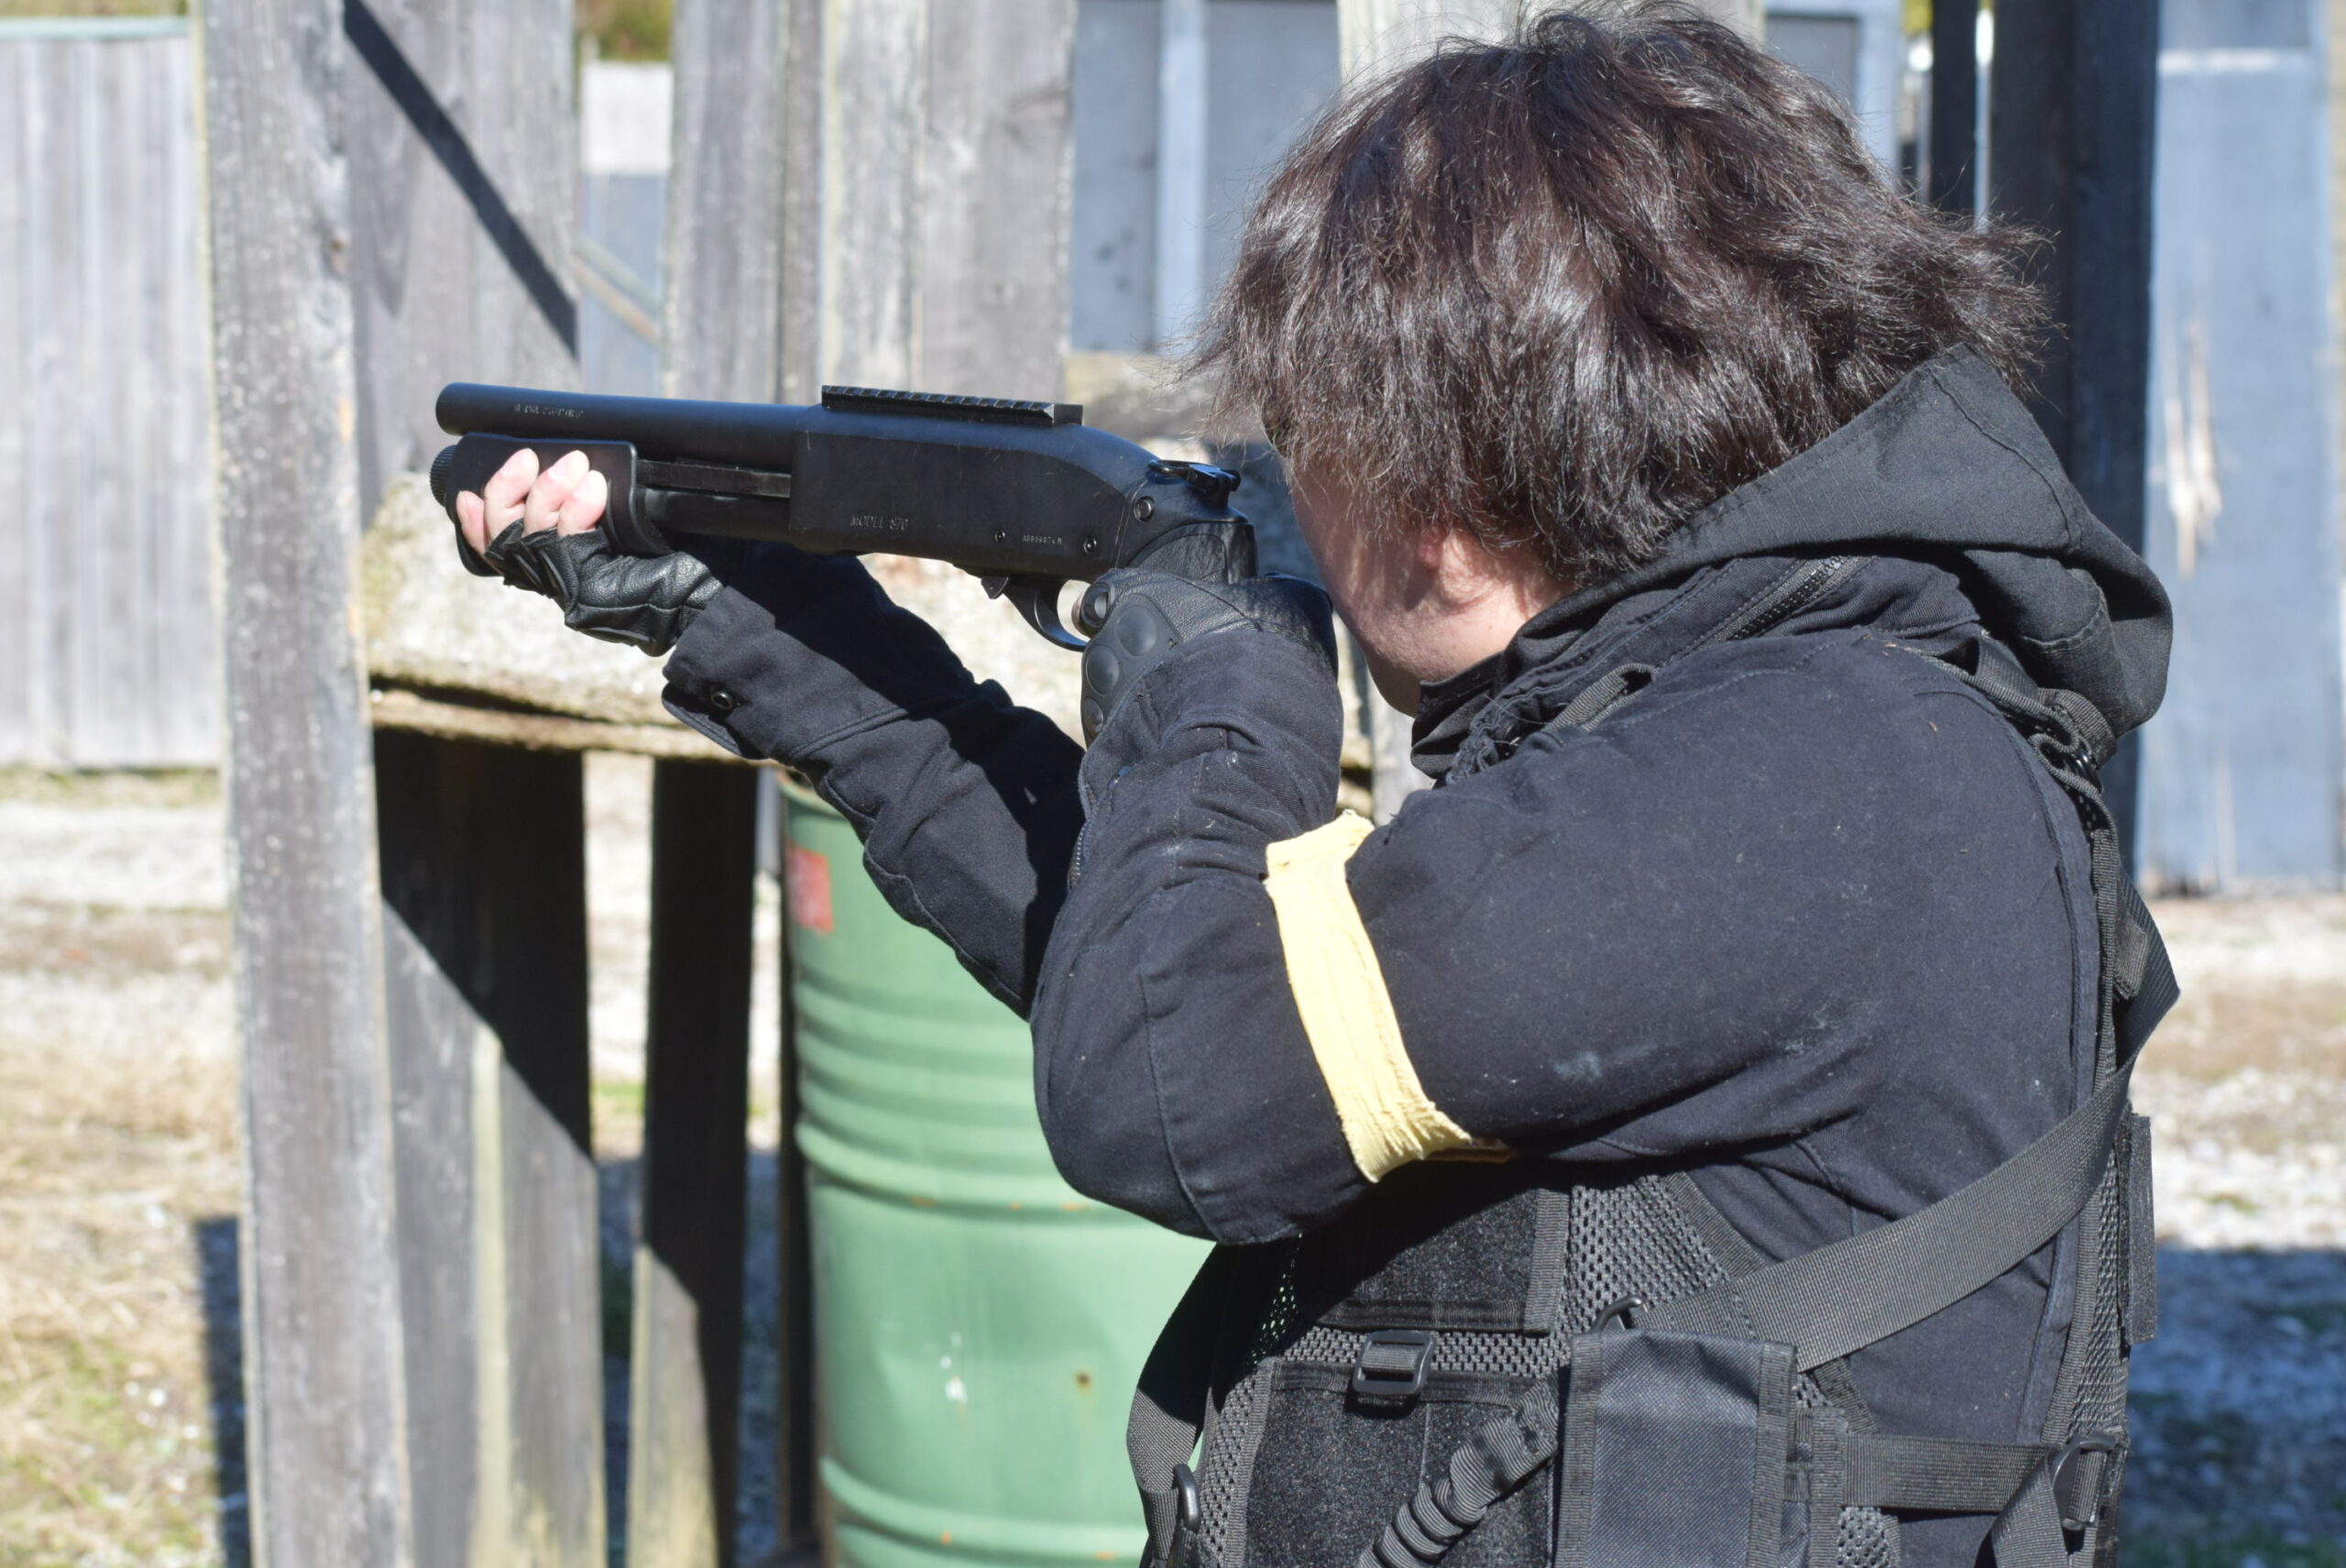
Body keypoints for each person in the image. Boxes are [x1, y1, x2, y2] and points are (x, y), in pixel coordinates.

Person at [457, 6, 2175, 1566]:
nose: (1290, 477)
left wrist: (1225, 680)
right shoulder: (1805, 729)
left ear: (1441, 502)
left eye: (1311, 434)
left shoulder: (1803, 777)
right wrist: (754, 624)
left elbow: (1168, 1090)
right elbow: (1168, 983)